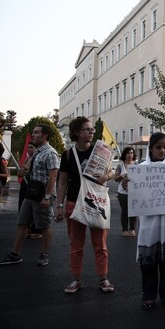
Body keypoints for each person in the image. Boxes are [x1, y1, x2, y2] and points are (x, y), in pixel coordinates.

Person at [56, 117, 115, 294]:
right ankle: (76, 279)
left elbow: (111, 171)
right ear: (76, 133)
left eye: (91, 129)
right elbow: (62, 182)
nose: (91, 132)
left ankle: (103, 278)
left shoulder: (100, 151)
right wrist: (58, 204)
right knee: (76, 245)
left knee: (100, 244)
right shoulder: (67, 155)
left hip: (97, 201)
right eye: (86, 129)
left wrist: (107, 177)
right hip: (74, 202)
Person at [0, 125, 59, 266]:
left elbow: (53, 176)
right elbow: (37, 173)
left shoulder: (50, 153)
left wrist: (47, 197)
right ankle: (15, 254)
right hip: (31, 193)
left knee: (44, 225)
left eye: (36, 132)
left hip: (43, 194)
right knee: (22, 222)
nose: (33, 134)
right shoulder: (37, 152)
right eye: (34, 132)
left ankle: (44, 255)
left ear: (45, 136)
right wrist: (25, 173)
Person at [136, 132, 165, 310]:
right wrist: (128, 185)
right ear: (151, 148)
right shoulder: (141, 169)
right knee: (149, 259)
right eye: (158, 147)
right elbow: (136, 196)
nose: (162, 150)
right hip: (149, 220)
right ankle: (148, 293)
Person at [18, 143, 42, 239]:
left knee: (34, 208)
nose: (29, 149)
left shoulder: (36, 158)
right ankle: (27, 228)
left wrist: (27, 170)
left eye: (31, 147)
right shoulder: (28, 158)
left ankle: (36, 230)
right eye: (28, 147)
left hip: (33, 186)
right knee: (24, 207)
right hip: (25, 185)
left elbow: (35, 172)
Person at [114, 147, 137, 236]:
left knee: (134, 211)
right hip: (122, 193)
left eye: (131, 153)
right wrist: (121, 176)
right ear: (124, 154)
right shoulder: (120, 165)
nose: (130, 155)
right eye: (128, 153)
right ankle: (125, 229)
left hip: (134, 192)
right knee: (125, 211)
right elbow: (115, 179)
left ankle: (132, 229)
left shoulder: (136, 165)